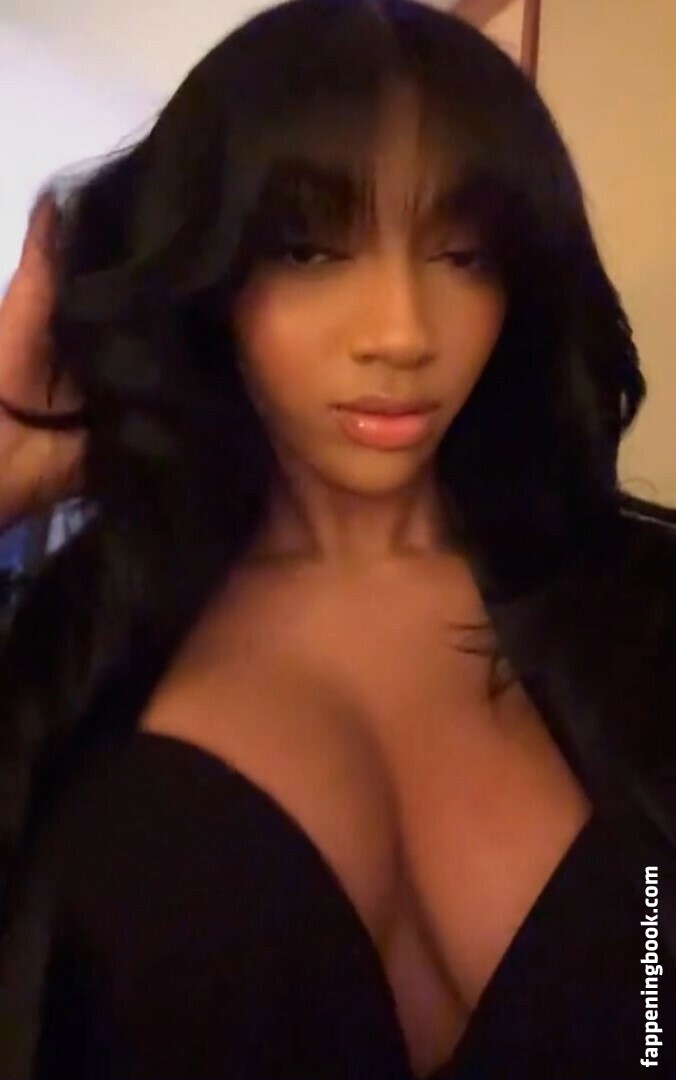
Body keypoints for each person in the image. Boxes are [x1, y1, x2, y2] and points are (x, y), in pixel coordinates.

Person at [0, 1, 674, 1076]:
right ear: (212, 270)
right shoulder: (73, 650)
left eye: (464, 254)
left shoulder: (644, 606)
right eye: (311, 249)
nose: (401, 333)